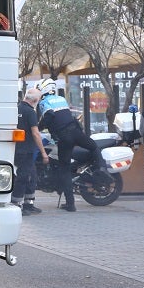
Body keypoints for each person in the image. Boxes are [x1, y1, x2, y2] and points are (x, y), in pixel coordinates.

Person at [35, 78, 99, 212]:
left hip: (65, 138)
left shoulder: (44, 102)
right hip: (76, 132)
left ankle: (71, 204)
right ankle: (100, 170)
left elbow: (49, 116)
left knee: (65, 170)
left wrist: (37, 128)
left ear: (43, 89)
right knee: (94, 146)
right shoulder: (61, 99)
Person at [12, 87, 48, 215]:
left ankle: (29, 203)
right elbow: (36, 133)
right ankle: (17, 204)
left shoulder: (16, 108)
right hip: (26, 150)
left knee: (31, 175)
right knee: (24, 177)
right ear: (36, 100)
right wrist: (43, 153)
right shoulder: (30, 112)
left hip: (15, 148)